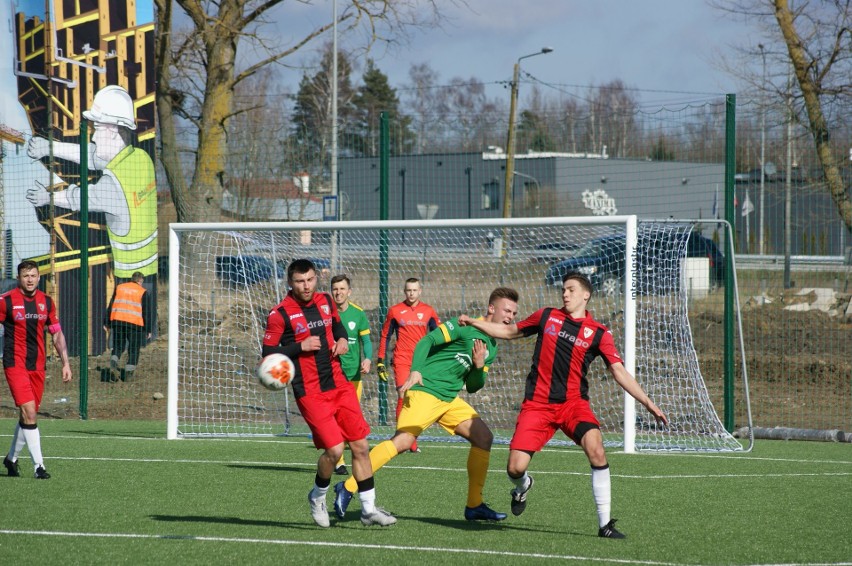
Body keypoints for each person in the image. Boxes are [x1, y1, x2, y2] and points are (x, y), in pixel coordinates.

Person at [459, 272, 668, 539]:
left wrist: (647, 402)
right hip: (537, 405)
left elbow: (619, 371)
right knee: (514, 468)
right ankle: (522, 487)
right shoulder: (546, 316)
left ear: (585, 295)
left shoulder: (599, 334)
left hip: (573, 405)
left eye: (570, 290)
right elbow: (509, 331)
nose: (565, 294)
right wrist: (476, 324)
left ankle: (605, 525)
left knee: (597, 449)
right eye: (563, 290)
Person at [334, 287, 520, 522]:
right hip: (426, 391)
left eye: (514, 313)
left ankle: (474, 505)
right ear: (491, 308)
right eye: (507, 310)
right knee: (403, 442)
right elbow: (427, 340)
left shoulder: (491, 346)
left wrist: (477, 364)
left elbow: (474, 386)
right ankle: (348, 487)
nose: (510, 317)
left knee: (484, 438)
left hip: (448, 399)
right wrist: (416, 371)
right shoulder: (464, 326)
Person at [262, 259, 395, 528]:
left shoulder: (326, 300)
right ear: (290, 283)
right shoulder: (280, 314)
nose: (306, 285)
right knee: (334, 451)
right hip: (310, 391)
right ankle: (317, 496)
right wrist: (300, 347)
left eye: (310, 279)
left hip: (339, 384)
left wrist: (343, 338)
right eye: (300, 281)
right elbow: (267, 354)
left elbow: (336, 326)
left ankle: (368, 510)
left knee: (361, 446)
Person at [1, 260, 73, 479]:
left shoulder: (47, 302)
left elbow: (57, 334)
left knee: (27, 417)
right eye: (25, 276)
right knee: (31, 413)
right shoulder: (6, 301)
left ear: (39, 277)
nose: (30, 279)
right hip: (15, 364)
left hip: (38, 366)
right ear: (19, 278)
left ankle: (11, 459)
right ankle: (39, 467)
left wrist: (65, 362)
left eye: (33, 275)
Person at [377, 277, 440, 454]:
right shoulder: (395, 311)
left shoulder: (428, 311)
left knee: (418, 400)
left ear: (420, 291)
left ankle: (411, 438)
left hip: (422, 361)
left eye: (414, 290)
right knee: (403, 395)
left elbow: (440, 336)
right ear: (404, 292)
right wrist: (380, 360)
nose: (411, 293)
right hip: (402, 359)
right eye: (408, 290)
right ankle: (404, 441)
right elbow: (385, 336)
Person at [329, 274, 373, 476]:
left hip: (354, 377)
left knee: (351, 420)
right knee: (335, 419)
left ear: (349, 291)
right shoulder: (326, 315)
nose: (338, 292)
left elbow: (366, 342)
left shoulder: (358, 314)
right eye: (335, 289)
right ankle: (339, 461)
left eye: (342, 289)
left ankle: (352, 455)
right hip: (332, 376)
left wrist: (368, 359)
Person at [103, 271, 152, 381]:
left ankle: (114, 361)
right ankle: (128, 375)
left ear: (132, 279)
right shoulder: (142, 291)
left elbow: (111, 305)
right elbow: (146, 313)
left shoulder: (119, 287)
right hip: (135, 324)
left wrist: (107, 322)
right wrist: (148, 329)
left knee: (118, 345)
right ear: (140, 281)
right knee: (134, 348)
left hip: (118, 321)